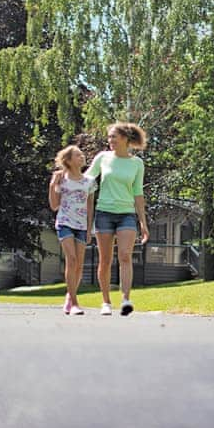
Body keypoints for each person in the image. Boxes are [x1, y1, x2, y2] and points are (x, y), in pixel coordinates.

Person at [86, 122, 149, 316]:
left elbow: (138, 193)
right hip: (104, 213)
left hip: (126, 215)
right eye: (109, 137)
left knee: (124, 255)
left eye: (114, 136)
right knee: (104, 260)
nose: (110, 140)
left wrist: (143, 223)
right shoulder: (103, 158)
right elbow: (87, 179)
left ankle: (126, 300)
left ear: (125, 139)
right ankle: (105, 301)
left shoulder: (137, 163)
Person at [49, 145, 96, 315]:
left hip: (82, 226)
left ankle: (70, 296)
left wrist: (90, 228)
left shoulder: (89, 182)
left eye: (82, 154)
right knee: (72, 259)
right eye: (77, 155)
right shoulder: (62, 179)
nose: (82, 157)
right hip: (65, 222)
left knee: (79, 265)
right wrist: (52, 184)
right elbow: (54, 205)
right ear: (68, 160)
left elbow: (90, 207)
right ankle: (75, 303)